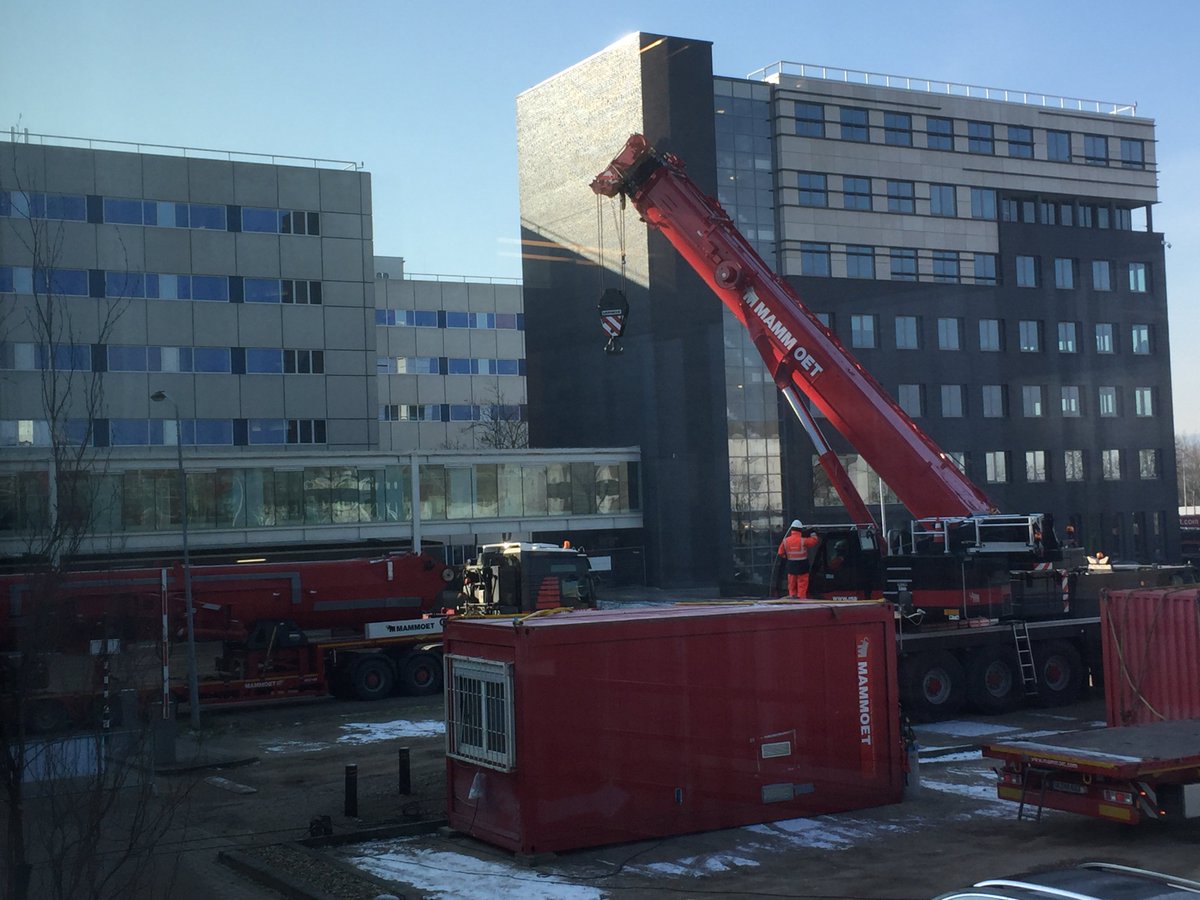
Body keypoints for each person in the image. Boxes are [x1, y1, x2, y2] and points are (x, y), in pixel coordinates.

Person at [777, 519, 818, 598]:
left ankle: (792, 598)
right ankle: (801, 600)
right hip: (802, 566)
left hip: (791, 566)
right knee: (802, 585)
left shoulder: (785, 541)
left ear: (792, 529)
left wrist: (787, 557)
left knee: (791, 584)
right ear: (800, 530)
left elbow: (780, 552)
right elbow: (814, 541)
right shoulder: (803, 541)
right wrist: (812, 532)